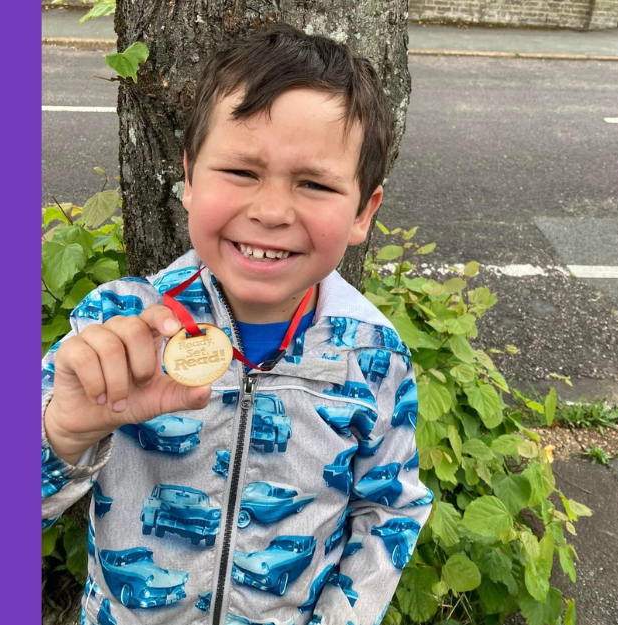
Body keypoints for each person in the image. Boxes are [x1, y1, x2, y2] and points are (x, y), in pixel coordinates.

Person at [40, 24, 431, 625]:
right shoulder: (117, 328)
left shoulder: (374, 355)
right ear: (190, 178)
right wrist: (62, 431)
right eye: (241, 172)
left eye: (316, 183)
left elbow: (392, 509)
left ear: (363, 212)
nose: (271, 211)